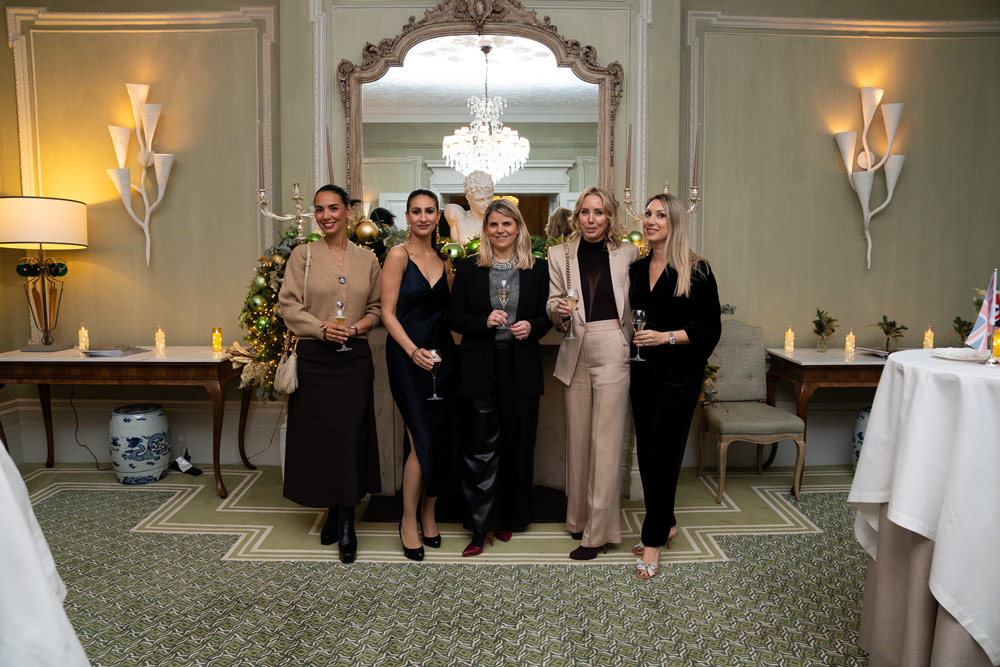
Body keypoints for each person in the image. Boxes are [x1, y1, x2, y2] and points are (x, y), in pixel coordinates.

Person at [278, 184, 382, 564]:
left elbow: (377, 309)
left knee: (350, 435)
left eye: (333, 208)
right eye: (319, 209)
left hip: (353, 360)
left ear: (348, 211)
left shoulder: (368, 259)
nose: (325, 216)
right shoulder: (303, 256)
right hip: (315, 360)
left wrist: (355, 328)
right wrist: (321, 328)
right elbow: (288, 306)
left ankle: (347, 517)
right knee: (322, 438)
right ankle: (332, 509)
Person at [448, 198, 552, 556]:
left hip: (521, 365)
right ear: (486, 230)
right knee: (480, 449)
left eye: (507, 223)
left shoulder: (537, 268)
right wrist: (483, 322)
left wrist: (532, 326)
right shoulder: (468, 267)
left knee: (518, 446)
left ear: (518, 228)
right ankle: (481, 526)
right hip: (479, 366)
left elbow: (546, 316)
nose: (500, 230)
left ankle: (510, 518)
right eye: (494, 224)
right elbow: (453, 317)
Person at [629, 193, 721, 579]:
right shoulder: (637, 268)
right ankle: (665, 523)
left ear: (676, 222)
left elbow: (709, 329)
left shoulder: (697, 270)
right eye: (648, 214)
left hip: (678, 376)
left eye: (661, 215)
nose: (650, 220)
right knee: (648, 454)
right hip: (641, 372)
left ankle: (652, 541)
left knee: (664, 456)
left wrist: (665, 337)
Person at [546, 186, 639, 560]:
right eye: (585, 212)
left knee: (605, 443)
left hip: (613, 344)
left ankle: (598, 533)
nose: (591, 219)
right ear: (577, 216)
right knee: (579, 441)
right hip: (575, 346)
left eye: (599, 212)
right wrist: (557, 311)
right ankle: (579, 519)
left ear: (610, 216)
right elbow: (553, 301)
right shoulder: (559, 254)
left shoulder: (628, 253)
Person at [380, 189, 457, 561]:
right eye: (416, 211)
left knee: (438, 440)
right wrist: (412, 351)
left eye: (429, 211)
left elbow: (450, 314)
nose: (423, 217)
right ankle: (407, 520)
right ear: (407, 217)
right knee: (421, 439)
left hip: (442, 359)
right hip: (406, 357)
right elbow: (387, 313)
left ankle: (429, 513)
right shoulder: (397, 255)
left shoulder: (445, 260)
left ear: (438, 216)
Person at [444, 170, 494, 245]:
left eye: (489, 198)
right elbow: (456, 248)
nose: (486, 204)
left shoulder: (499, 220)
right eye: (480, 200)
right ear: (468, 198)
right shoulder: (459, 217)